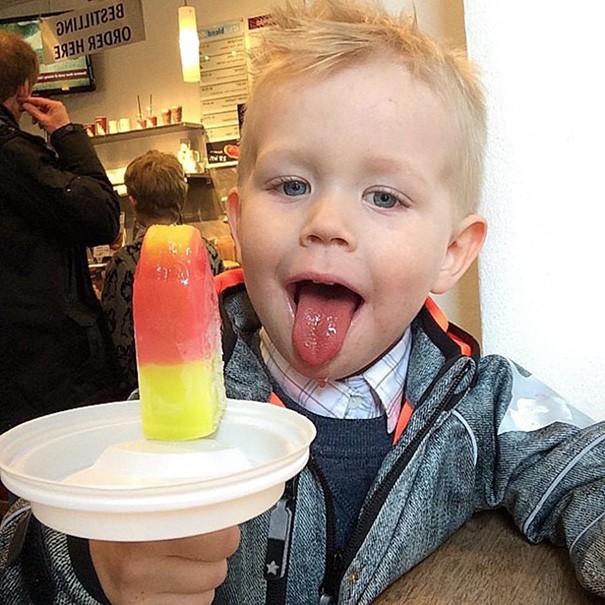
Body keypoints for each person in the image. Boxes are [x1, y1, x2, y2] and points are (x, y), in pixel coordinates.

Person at [1, 1, 605, 603]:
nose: (327, 224)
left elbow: (587, 467)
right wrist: (97, 565)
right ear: (238, 222)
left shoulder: (478, 405)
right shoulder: (175, 416)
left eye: (384, 197)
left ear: (452, 251)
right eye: (292, 185)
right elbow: (20, 551)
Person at [0, 31, 125, 434]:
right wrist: (66, 135)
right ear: (24, 89)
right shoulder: (13, 156)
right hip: (44, 368)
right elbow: (102, 217)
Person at [101, 150, 224, 395]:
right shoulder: (206, 253)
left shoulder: (125, 262)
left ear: (133, 202)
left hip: (147, 390)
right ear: (182, 196)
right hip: (202, 383)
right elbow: (221, 324)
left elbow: (117, 342)